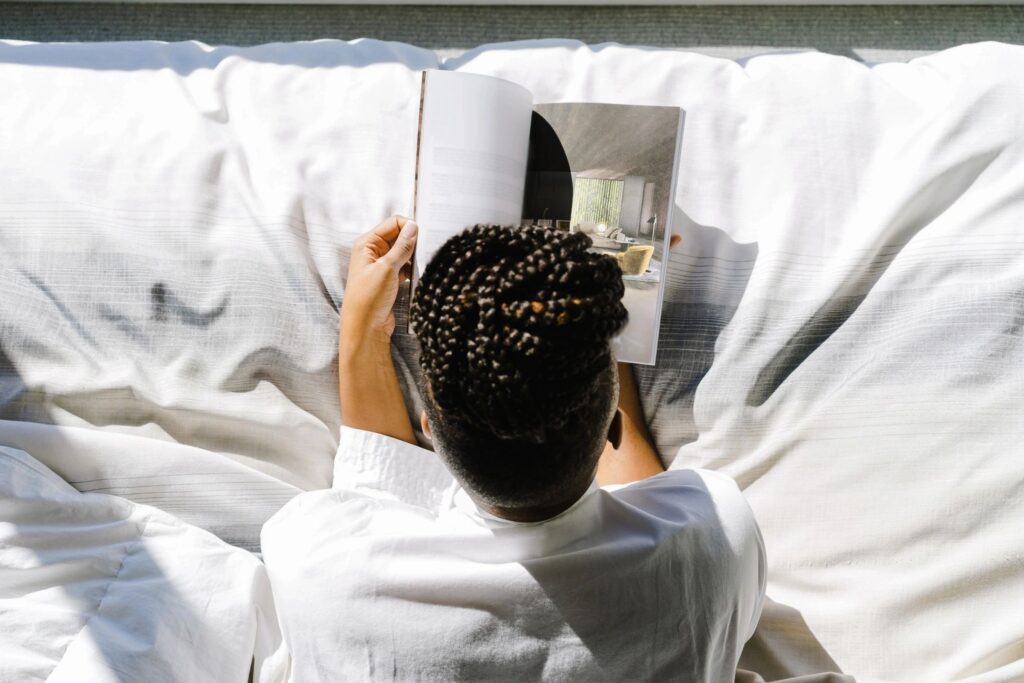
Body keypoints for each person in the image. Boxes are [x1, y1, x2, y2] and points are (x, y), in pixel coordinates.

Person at [261, 215, 766, 681]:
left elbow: (374, 491)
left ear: (429, 429)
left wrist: (363, 328)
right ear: (612, 427)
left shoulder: (317, 563)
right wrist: (599, 321)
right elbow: (643, 499)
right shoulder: (715, 545)